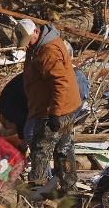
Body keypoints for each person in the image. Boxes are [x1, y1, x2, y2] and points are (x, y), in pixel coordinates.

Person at [15, 18, 81, 194]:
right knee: (63, 149)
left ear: (36, 32)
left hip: (52, 109)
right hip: (57, 107)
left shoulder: (48, 52)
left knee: (40, 149)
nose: (27, 46)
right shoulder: (38, 48)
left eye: (28, 41)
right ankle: (69, 189)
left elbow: (60, 83)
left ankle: (37, 192)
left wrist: (55, 113)